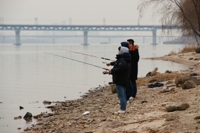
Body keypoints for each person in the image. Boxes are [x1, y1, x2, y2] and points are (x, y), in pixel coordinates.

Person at [104, 46, 131, 113]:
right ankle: (123, 108)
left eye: (119, 50)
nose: (118, 52)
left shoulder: (122, 60)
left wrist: (112, 71)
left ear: (122, 51)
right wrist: (110, 72)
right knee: (122, 94)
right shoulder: (123, 59)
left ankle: (122, 109)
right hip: (122, 79)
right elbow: (119, 69)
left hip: (120, 80)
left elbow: (120, 69)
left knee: (121, 95)